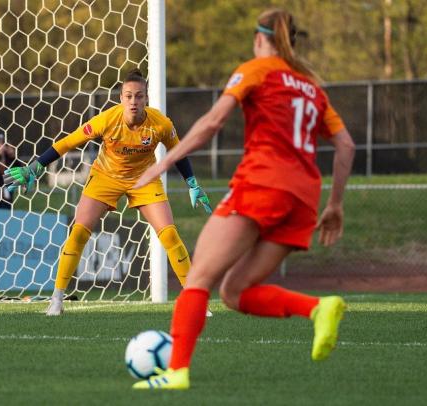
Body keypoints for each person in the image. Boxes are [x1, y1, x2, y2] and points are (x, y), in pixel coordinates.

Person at [131, 8, 356, 390]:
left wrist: (162, 163)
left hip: (262, 183)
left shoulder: (256, 69)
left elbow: (213, 122)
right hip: (303, 199)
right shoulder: (312, 88)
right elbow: (346, 145)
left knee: (199, 276)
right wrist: (335, 205)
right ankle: (318, 308)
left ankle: (177, 371)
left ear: (258, 38)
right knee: (234, 292)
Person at [4, 69, 212, 316]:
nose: (133, 101)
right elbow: (68, 142)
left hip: (144, 180)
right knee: (79, 232)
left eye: (139, 96)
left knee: (169, 236)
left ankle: (194, 301)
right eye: (128, 96)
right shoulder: (106, 120)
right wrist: (37, 166)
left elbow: (178, 153)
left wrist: (193, 184)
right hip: (105, 178)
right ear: (121, 98)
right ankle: (56, 299)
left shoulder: (161, 124)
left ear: (146, 98)